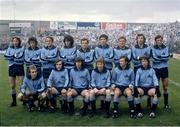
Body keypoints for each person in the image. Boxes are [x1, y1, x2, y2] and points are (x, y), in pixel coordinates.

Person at [4, 37, 25, 107]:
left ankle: (24, 101)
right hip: (11, 67)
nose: (15, 42)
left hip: (19, 67)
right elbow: (6, 56)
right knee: (12, 86)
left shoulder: (22, 48)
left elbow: (21, 58)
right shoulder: (9, 48)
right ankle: (14, 102)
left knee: (22, 85)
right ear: (12, 42)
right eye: (14, 41)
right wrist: (14, 56)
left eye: (16, 41)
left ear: (19, 42)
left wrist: (12, 57)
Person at [151, 35, 170, 109]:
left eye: (160, 40)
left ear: (162, 40)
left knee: (165, 87)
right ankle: (152, 104)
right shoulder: (152, 48)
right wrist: (162, 57)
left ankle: (166, 104)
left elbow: (167, 57)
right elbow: (154, 58)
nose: (159, 41)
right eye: (158, 40)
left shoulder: (166, 48)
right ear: (155, 41)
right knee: (155, 87)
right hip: (155, 69)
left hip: (164, 68)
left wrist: (159, 57)